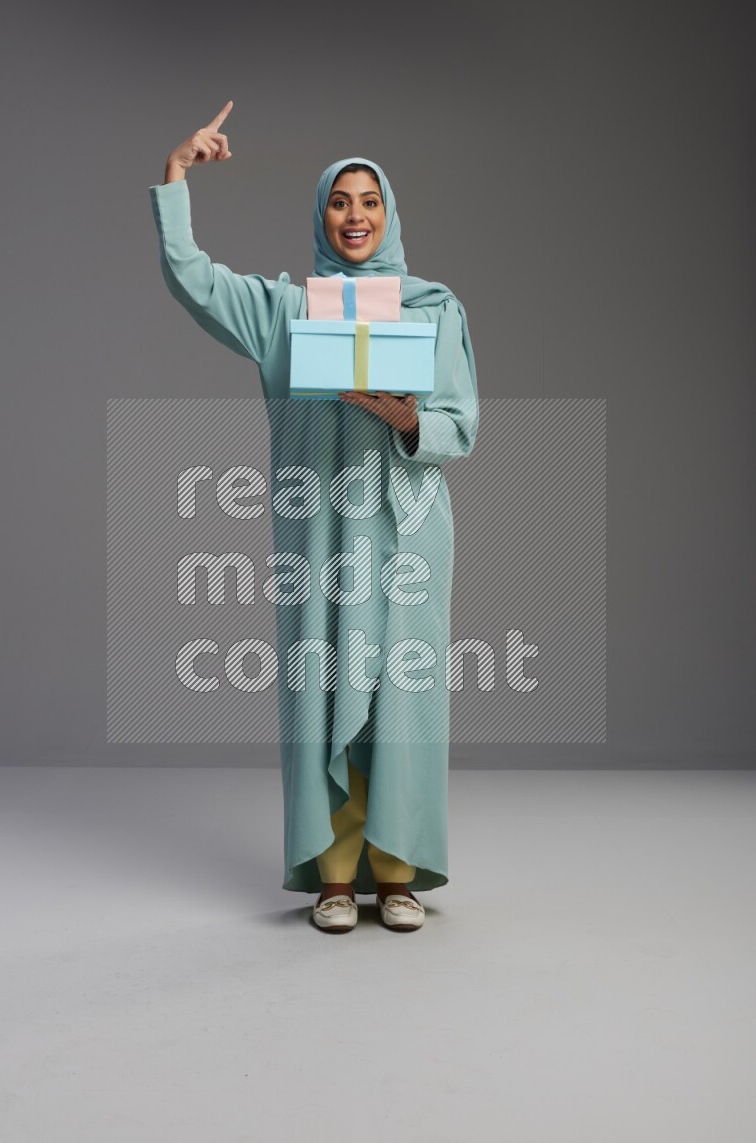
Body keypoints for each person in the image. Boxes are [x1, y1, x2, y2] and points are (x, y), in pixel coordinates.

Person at [149, 101, 479, 933]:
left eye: (369, 201)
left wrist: (406, 418)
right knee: (322, 690)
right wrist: (176, 175)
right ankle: (337, 878)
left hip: (404, 533)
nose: (356, 215)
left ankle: (396, 874)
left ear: (389, 213)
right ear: (322, 215)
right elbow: (193, 278)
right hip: (320, 536)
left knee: (401, 699)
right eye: (340, 201)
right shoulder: (286, 309)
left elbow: (460, 423)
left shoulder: (432, 306)